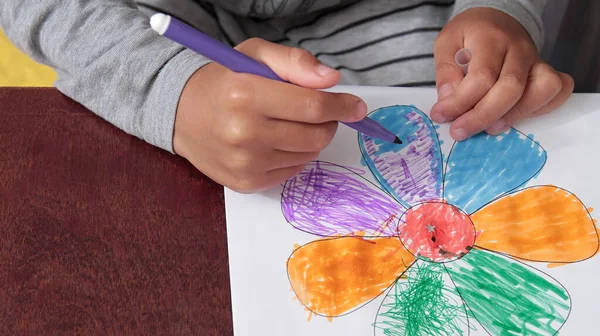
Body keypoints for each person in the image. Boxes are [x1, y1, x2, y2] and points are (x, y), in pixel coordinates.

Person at [1, 1, 573, 193]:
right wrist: (169, 90)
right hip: (148, 40)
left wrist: (501, 11)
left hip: (405, 21)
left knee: (465, 102)